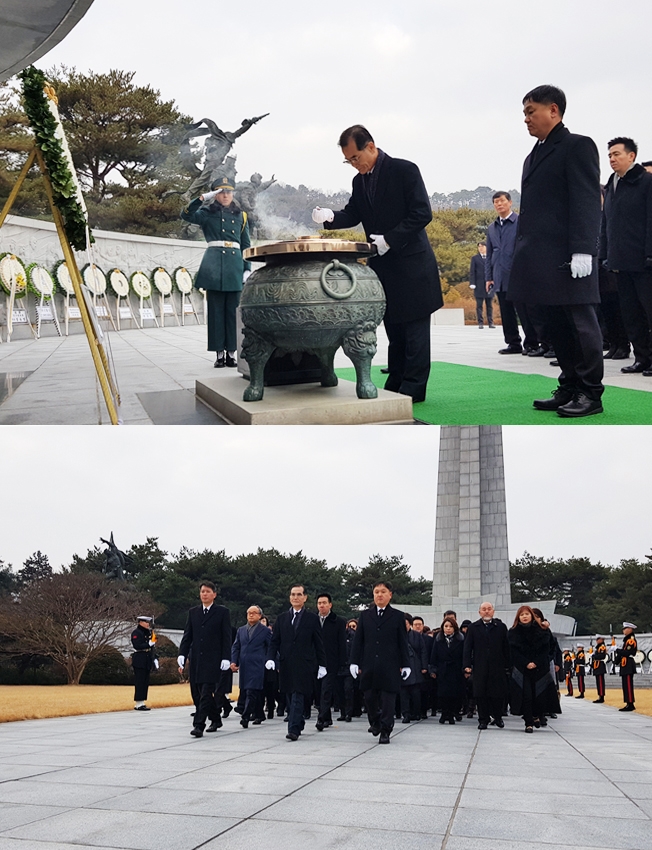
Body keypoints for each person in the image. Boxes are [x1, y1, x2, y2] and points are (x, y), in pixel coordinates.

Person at [313, 125, 443, 403]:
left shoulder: (404, 170)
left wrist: (390, 240)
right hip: (384, 267)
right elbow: (353, 213)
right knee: (394, 328)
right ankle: (395, 379)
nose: (354, 165)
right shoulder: (359, 182)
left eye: (356, 158)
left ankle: (414, 387)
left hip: (412, 263)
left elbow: (422, 213)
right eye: (348, 161)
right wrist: (330, 217)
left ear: (371, 146)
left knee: (415, 331)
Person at [509, 85, 604, 418]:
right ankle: (570, 385)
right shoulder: (533, 154)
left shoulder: (577, 146)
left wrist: (583, 250)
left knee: (581, 324)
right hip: (540, 259)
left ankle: (591, 392)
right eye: (524, 113)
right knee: (554, 327)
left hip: (568, 257)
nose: (526, 119)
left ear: (553, 110)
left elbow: (587, 201)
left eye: (530, 111)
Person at [180, 176, 251, 368]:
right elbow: (185, 215)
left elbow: (245, 245)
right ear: (216, 194)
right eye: (221, 192)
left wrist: (247, 269)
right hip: (213, 267)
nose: (226, 195)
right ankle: (219, 354)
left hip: (234, 268)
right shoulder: (205, 213)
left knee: (233, 313)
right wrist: (202, 198)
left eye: (229, 191)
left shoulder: (241, 216)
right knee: (216, 313)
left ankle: (232, 353)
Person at [599, 137, 652, 376]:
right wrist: (605, 254)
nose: (612, 159)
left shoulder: (646, 182)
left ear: (631, 156)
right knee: (631, 314)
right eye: (609, 155)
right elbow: (606, 223)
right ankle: (642, 359)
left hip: (644, 261)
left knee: (649, 311)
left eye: (616, 154)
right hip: (620, 261)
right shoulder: (612, 183)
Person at [350, 580, 411, 744]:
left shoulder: (398, 616)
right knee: (369, 697)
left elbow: (402, 642)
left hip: (390, 665)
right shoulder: (365, 615)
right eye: (376, 592)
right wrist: (354, 662)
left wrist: (406, 664)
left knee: (388, 701)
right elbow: (358, 641)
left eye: (383, 591)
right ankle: (375, 721)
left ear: (390, 595)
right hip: (369, 664)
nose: (379, 595)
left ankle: (385, 730)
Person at [266, 585, 327, 741]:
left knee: (298, 694)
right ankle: (298, 722)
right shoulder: (282, 618)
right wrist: (270, 658)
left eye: (299, 594)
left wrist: (322, 664)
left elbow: (319, 643)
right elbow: (275, 641)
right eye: (293, 594)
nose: (295, 597)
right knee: (289, 695)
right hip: (286, 663)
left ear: (305, 597)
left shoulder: (312, 619)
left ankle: (293, 729)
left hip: (304, 663)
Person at [177, 581, 232, 738]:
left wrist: (226, 657)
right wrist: (182, 654)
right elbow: (188, 635)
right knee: (197, 693)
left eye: (208, 591)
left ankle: (199, 725)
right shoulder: (193, 612)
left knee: (206, 693)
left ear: (214, 594)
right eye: (202, 591)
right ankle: (216, 718)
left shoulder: (222, 612)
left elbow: (226, 636)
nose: (204, 594)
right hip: (196, 659)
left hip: (213, 659)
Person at [485, 192, 536, 354]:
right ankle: (513, 343)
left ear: (510, 202)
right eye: (495, 202)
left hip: (518, 274)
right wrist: (489, 277)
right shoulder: (492, 227)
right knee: (506, 313)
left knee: (524, 311)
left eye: (501, 201)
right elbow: (490, 254)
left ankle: (532, 343)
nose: (499, 204)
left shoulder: (520, 222)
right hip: (499, 275)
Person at [508, 605, 560, 733]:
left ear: (531, 615)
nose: (524, 616)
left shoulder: (543, 630)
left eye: (527, 614)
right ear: (518, 617)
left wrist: (536, 662)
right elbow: (513, 652)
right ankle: (528, 722)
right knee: (526, 695)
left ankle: (537, 715)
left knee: (539, 694)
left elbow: (547, 649)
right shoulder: (513, 632)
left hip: (539, 668)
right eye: (522, 614)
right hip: (523, 669)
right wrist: (526, 663)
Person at [463, 601, 510, 730]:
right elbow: (467, 648)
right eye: (484, 609)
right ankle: (483, 719)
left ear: (493, 611)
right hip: (480, 666)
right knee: (480, 694)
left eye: (489, 609)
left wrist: (508, 665)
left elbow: (506, 648)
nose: (487, 611)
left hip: (497, 666)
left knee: (497, 693)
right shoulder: (473, 627)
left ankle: (498, 717)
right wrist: (467, 665)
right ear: (479, 612)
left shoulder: (501, 627)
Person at [230, 605, 271, 728]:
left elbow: (271, 648)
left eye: (254, 613)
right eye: (249, 613)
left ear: (260, 616)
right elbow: (236, 647)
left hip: (258, 665)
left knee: (251, 691)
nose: (251, 615)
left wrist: (270, 661)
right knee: (250, 691)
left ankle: (246, 716)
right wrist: (233, 661)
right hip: (245, 665)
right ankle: (259, 714)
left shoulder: (265, 631)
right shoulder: (241, 630)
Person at [315, 592, 347, 730]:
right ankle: (327, 717)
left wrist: (343, 662)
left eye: (324, 603)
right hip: (315, 661)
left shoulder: (338, 621)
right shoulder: (312, 620)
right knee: (317, 691)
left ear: (330, 605)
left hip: (331, 661)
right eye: (319, 603)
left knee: (326, 690)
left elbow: (342, 644)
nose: (322, 606)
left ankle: (321, 719)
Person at [429, 616, 466, 725]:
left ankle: (451, 714)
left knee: (454, 694)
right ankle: (444, 713)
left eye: (450, 626)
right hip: (442, 670)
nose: (448, 628)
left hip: (455, 670)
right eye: (446, 626)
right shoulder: (438, 638)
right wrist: (433, 669)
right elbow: (433, 655)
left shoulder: (460, 639)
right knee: (442, 693)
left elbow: (464, 655)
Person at [400, 613, 429, 723]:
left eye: (406, 623)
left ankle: (416, 713)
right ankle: (406, 714)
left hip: (415, 666)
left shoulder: (417, 635)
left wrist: (424, 666)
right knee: (404, 693)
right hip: (402, 667)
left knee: (416, 693)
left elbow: (423, 651)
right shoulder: (397, 635)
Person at [131, 615, 158, 711]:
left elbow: (152, 648)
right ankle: (138, 703)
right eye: (146, 622)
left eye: (148, 622)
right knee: (140, 681)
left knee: (145, 681)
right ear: (140, 623)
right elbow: (137, 645)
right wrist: (148, 644)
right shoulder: (136, 633)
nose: (148, 624)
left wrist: (155, 658)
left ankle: (142, 701)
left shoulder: (148, 633)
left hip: (147, 659)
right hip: (139, 659)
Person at [469, 242, 494, 329]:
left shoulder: (490, 258)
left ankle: (491, 322)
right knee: (479, 305)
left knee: (489, 305)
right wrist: (472, 283)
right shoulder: (475, 258)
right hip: (479, 285)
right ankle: (480, 322)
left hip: (489, 285)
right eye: (479, 247)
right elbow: (472, 272)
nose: (480, 248)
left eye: (482, 246)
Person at [618, 622, 638, 711]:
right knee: (625, 684)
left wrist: (617, 650)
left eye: (625, 629)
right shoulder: (626, 640)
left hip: (628, 663)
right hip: (625, 663)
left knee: (628, 684)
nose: (623, 630)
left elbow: (628, 652)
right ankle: (627, 702)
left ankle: (630, 703)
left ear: (630, 629)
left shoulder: (630, 640)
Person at [592, 636, 608, 704]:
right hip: (597, 664)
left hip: (600, 664)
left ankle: (601, 696)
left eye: (598, 639)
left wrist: (594, 656)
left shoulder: (602, 647)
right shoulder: (598, 647)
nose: (597, 640)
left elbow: (602, 656)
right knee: (598, 682)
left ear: (602, 640)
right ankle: (600, 695)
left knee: (600, 682)